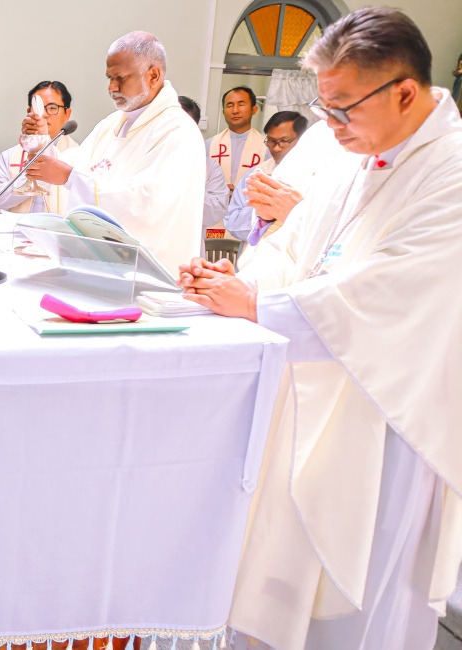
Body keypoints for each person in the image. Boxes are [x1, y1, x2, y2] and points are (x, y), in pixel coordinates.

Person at [179, 8, 462, 648]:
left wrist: (255, 307)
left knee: (369, 603)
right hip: (323, 387)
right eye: (324, 108)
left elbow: (390, 295)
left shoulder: (451, 170)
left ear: (405, 93)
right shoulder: (366, 153)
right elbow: (299, 246)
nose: (329, 127)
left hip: (392, 415)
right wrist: (236, 283)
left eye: (343, 110)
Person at [24, 31, 205, 273]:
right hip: (100, 268)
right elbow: (77, 166)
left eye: (120, 77)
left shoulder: (178, 131)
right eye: (109, 78)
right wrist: (40, 144)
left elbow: (146, 206)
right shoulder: (112, 124)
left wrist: (69, 178)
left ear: (153, 75)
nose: (111, 87)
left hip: (148, 279)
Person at [0, 81, 81, 214]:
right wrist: (26, 181)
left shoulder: (79, 155)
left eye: (52, 108)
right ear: (29, 112)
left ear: (67, 114)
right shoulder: (10, 156)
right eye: (39, 108)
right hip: (16, 233)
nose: (44, 114)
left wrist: (44, 140)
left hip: (56, 233)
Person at [223, 111, 309, 242]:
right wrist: (262, 214)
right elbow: (232, 221)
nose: (276, 148)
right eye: (271, 141)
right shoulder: (257, 173)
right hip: (256, 254)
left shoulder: (314, 174)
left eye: (284, 141)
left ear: (301, 140)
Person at [178, 96, 230, 232]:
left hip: (186, 241)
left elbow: (216, 211)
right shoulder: (144, 157)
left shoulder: (210, 167)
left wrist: (185, 187)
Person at [207, 87, 268, 191]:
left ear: (254, 110)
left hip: (250, 205)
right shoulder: (208, 145)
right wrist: (220, 192)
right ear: (223, 112)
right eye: (230, 105)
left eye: (241, 104)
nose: (235, 110)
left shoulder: (267, 147)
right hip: (215, 205)